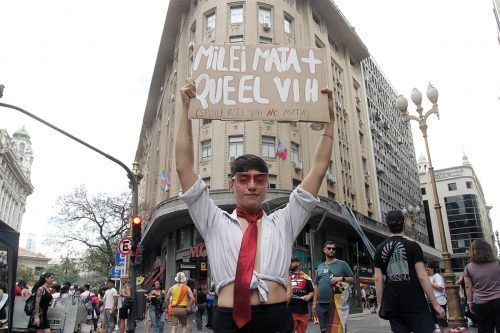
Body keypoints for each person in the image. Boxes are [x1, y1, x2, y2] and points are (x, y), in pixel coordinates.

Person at [176, 79, 335, 332]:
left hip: (276, 318)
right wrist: (185, 109)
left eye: (259, 180)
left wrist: (330, 122)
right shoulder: (213, 221)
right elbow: (184, 166)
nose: (251, 185)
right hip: (229, 319)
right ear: (232, 185)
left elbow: (317, 170)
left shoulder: (284, 222)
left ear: (266, 186)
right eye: (244, 179)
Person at [373, 210, 444, 333]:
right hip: (416, 304)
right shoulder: (413, 246)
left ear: (387, 225)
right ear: (404, 223)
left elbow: (378, 279)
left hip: (393, 306)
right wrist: (435, 304)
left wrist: (379, 304)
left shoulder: (379, 249)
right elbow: (422, 276)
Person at [312, 241, 355, 333]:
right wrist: (314, 303)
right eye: (329, 248)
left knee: (338, 330)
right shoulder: (320, 266)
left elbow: (352, 279)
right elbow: (316, 285)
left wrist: (341, 278)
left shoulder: (342, 264)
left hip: (338, 304)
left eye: (333, 249)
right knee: (323, 330)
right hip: (321, 304)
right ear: (324, 250)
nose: (331, 250)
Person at [463, 239, 500, 332]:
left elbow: (468, 286)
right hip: (498, 299)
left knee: (485, 328)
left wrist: (470, 302)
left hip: (481, 303)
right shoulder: (497, 263)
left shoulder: (468, 268)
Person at [289, 257, 314, 333]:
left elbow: (311, 291)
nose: (290, 264)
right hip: (290, 311)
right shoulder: (286, 276)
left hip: (303, 311)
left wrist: (309, 296)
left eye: (292, 262)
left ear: (298, 263)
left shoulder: (306, 277)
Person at [426, 263, 448, 333]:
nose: (426, 271)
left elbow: (441, 288)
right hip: (431, 301)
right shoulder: (427, 277)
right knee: (438, 322)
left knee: (443, 321)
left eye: (428, 269)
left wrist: (430, 283)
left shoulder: (437, 276)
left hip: (439, 301)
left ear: (432, 269)